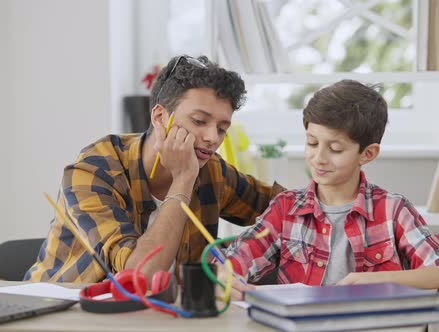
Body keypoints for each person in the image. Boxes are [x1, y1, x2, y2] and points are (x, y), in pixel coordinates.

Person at [25, 55, 285, 283]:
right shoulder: (92, 171)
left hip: (157, 319)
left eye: (221, 128)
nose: (211, 138)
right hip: (65, 315)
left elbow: (291, 209)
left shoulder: (212, 171)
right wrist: (183, 179)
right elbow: (142, 276)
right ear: (160, 117)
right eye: (199, 121)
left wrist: (324, 164)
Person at [221, 80, 439, 300]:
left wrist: (380, 280)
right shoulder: (286, 208)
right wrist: (226, 278)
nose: (319, 158)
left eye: (335, 149)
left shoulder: (392, 211)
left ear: (367, 154)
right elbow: (230, 264)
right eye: (312, 143)